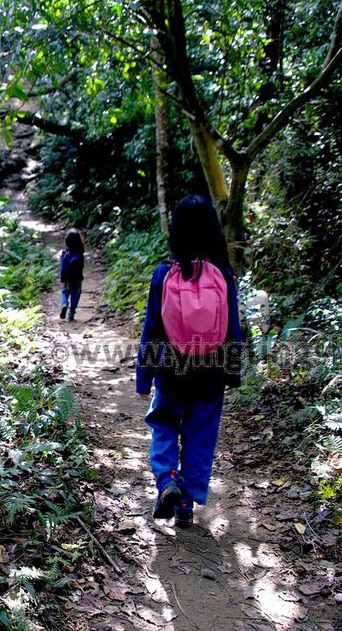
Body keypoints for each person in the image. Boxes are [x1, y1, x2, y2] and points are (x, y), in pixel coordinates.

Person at [136, 195, 242, 527]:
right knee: (200, 433)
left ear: (176, 232)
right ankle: (185, 503)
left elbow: (152, 329)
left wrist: (144, 376)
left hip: (171, 364)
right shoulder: (224, 276)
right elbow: (233, 329)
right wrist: (232, 372)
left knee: (165, 421)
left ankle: (167, 479)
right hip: (210, 368)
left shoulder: (163, 274)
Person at [59, 229, 85, 321]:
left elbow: (62, 267)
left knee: (64, 292)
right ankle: (71, 313)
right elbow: (81, 268)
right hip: (77, 280)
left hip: (66, 279)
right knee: (75, 295)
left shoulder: (64, 254)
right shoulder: (80, 255)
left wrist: (62, 278)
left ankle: (64, 304)